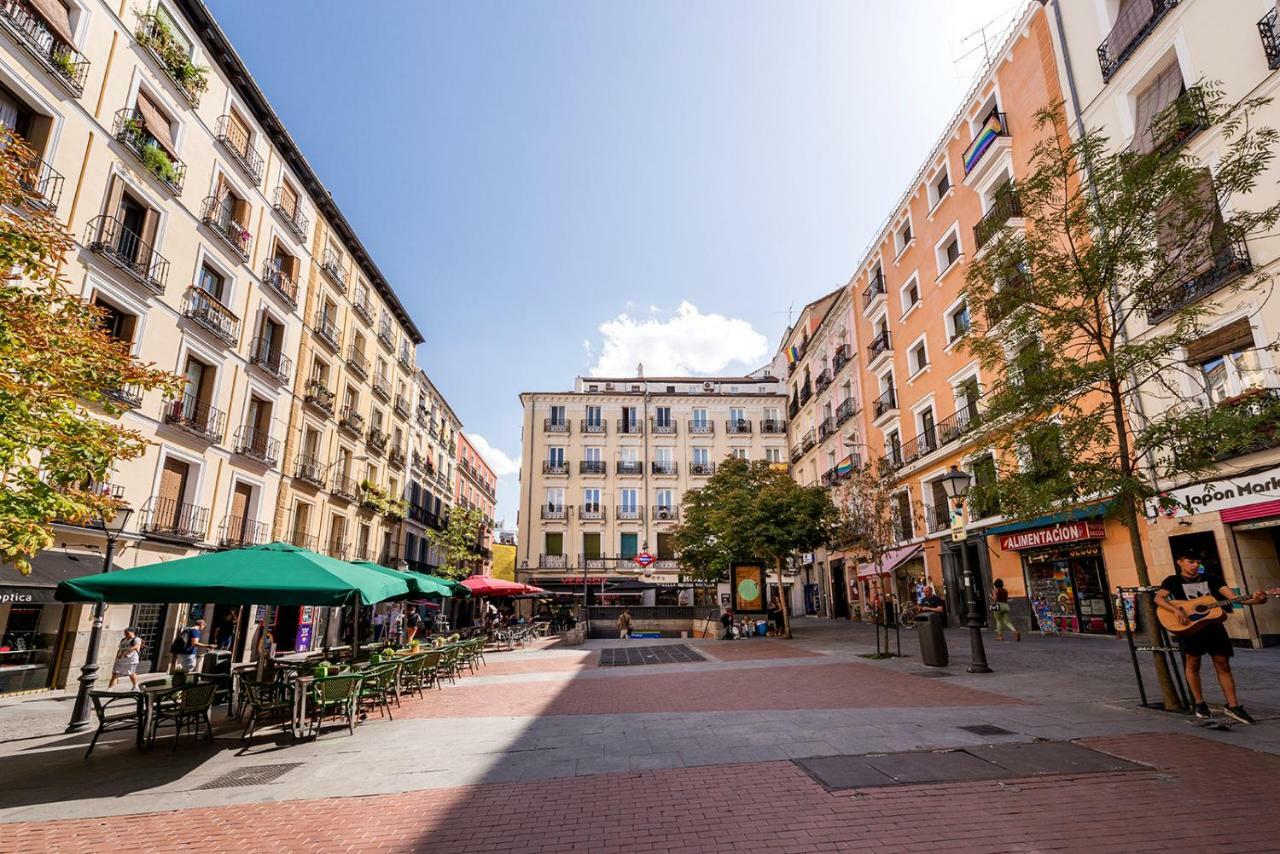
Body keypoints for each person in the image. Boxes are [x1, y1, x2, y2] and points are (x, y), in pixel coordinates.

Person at [1156, 552, 1266, 724]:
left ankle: (1233, 706)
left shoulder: (1212, 579)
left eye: (1198, 562)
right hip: (1190, 628)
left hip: (1214, 628)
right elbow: (1159, 598)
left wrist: (1257, 600)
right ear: (1180, 562)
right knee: (1193, 662)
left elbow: (1235, 599)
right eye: (1191, 561)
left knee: (1223, 663)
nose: (1195, 565)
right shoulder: (1172, 581)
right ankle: (1199, 703)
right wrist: (1176, 610)